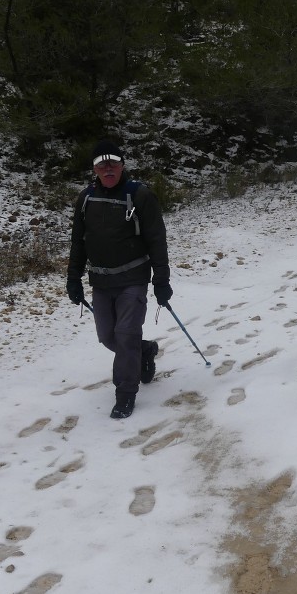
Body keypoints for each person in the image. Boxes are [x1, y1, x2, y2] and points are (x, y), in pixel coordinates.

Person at [66, 138, 173, 419]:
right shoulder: (86, 197)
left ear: (123, 164)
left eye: (113, 161)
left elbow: (156, 240)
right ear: (95, 168)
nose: (108, 167)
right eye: (102, 163)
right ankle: (145, 350)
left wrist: (161, 280)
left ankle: (125, 394)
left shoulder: (140, 195)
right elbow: (78, 240)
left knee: (125, 336)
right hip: (101, 282)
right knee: (108, 337)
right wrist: (73, 278)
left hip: (133, 279)